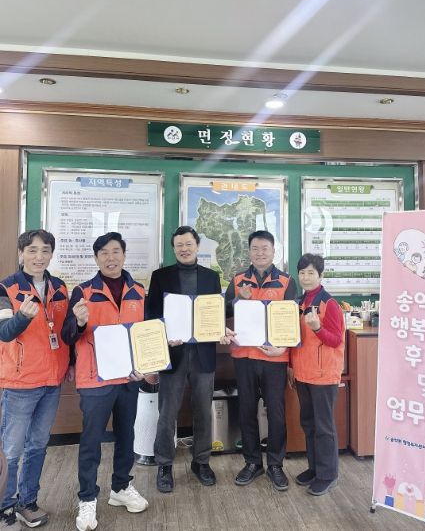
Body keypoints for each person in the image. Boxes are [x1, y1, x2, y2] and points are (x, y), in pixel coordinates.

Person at [61, 232, 148, 531]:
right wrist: (78, 321)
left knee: (126, 436)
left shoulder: (139, 291)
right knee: (91, 441)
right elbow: (67, 336)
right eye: (104, 253)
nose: (111, 258)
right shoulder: (82, 291)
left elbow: (145, 334)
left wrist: (146, 365)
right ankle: (87, 498)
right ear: (96, 258)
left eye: (115, 251)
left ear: (124, 254)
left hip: (129, 378)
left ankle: (121, 487)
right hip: (94, 380)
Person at [0, 230, 71, 530]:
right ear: (21, 253)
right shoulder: (6, 288)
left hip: (52, 381)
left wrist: (71, 362)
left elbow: (65, 331)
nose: (39, 256)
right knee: (11, 450)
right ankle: (4, 505)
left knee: (38, 445)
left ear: (51, 254)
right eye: (32, 250)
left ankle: (27, 503)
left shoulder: (59, 287)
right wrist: (22, 318)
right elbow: (4, 332)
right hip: (20, 383)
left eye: (45, 250)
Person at [146, 226, 222, 493]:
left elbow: (216, 313)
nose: (184, 249)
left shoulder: (212, 277)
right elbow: (151, 315)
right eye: (179, 245)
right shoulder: (160, 277)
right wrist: (163, 336)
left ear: (197, 246)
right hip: (172, 354)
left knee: (203, 411)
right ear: (173, 248)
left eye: (189, 244)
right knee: (167, 413)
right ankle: (164, 465)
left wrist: (221, 326)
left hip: (203, 354)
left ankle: (201, 462)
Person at [222, 230, 297, 491]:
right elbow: (223, 311)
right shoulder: (238, 280)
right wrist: (237, 298)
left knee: (276, 412)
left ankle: (275, 464)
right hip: (244, 356)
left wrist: (284, 349)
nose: (260, 253)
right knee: (246, 410)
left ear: (274, 251)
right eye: (255, 248)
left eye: (265, 248)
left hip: (275, 357)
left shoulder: (287, 281)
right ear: (249, 252)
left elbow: (294, 320)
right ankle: (253, 462)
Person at [289, 253, 344, 496]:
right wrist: (291, 366)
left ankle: (328, 475)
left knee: (324, 427)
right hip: (303, 373)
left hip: (323, 375)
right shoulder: (300, 301)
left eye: (311, 273)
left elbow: (336, 340)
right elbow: (294, 339)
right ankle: (315, 469)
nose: (306, 277)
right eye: (302, 273)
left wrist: (318, 328)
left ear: (321, 275)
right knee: (309, 424)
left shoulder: (329, 304)